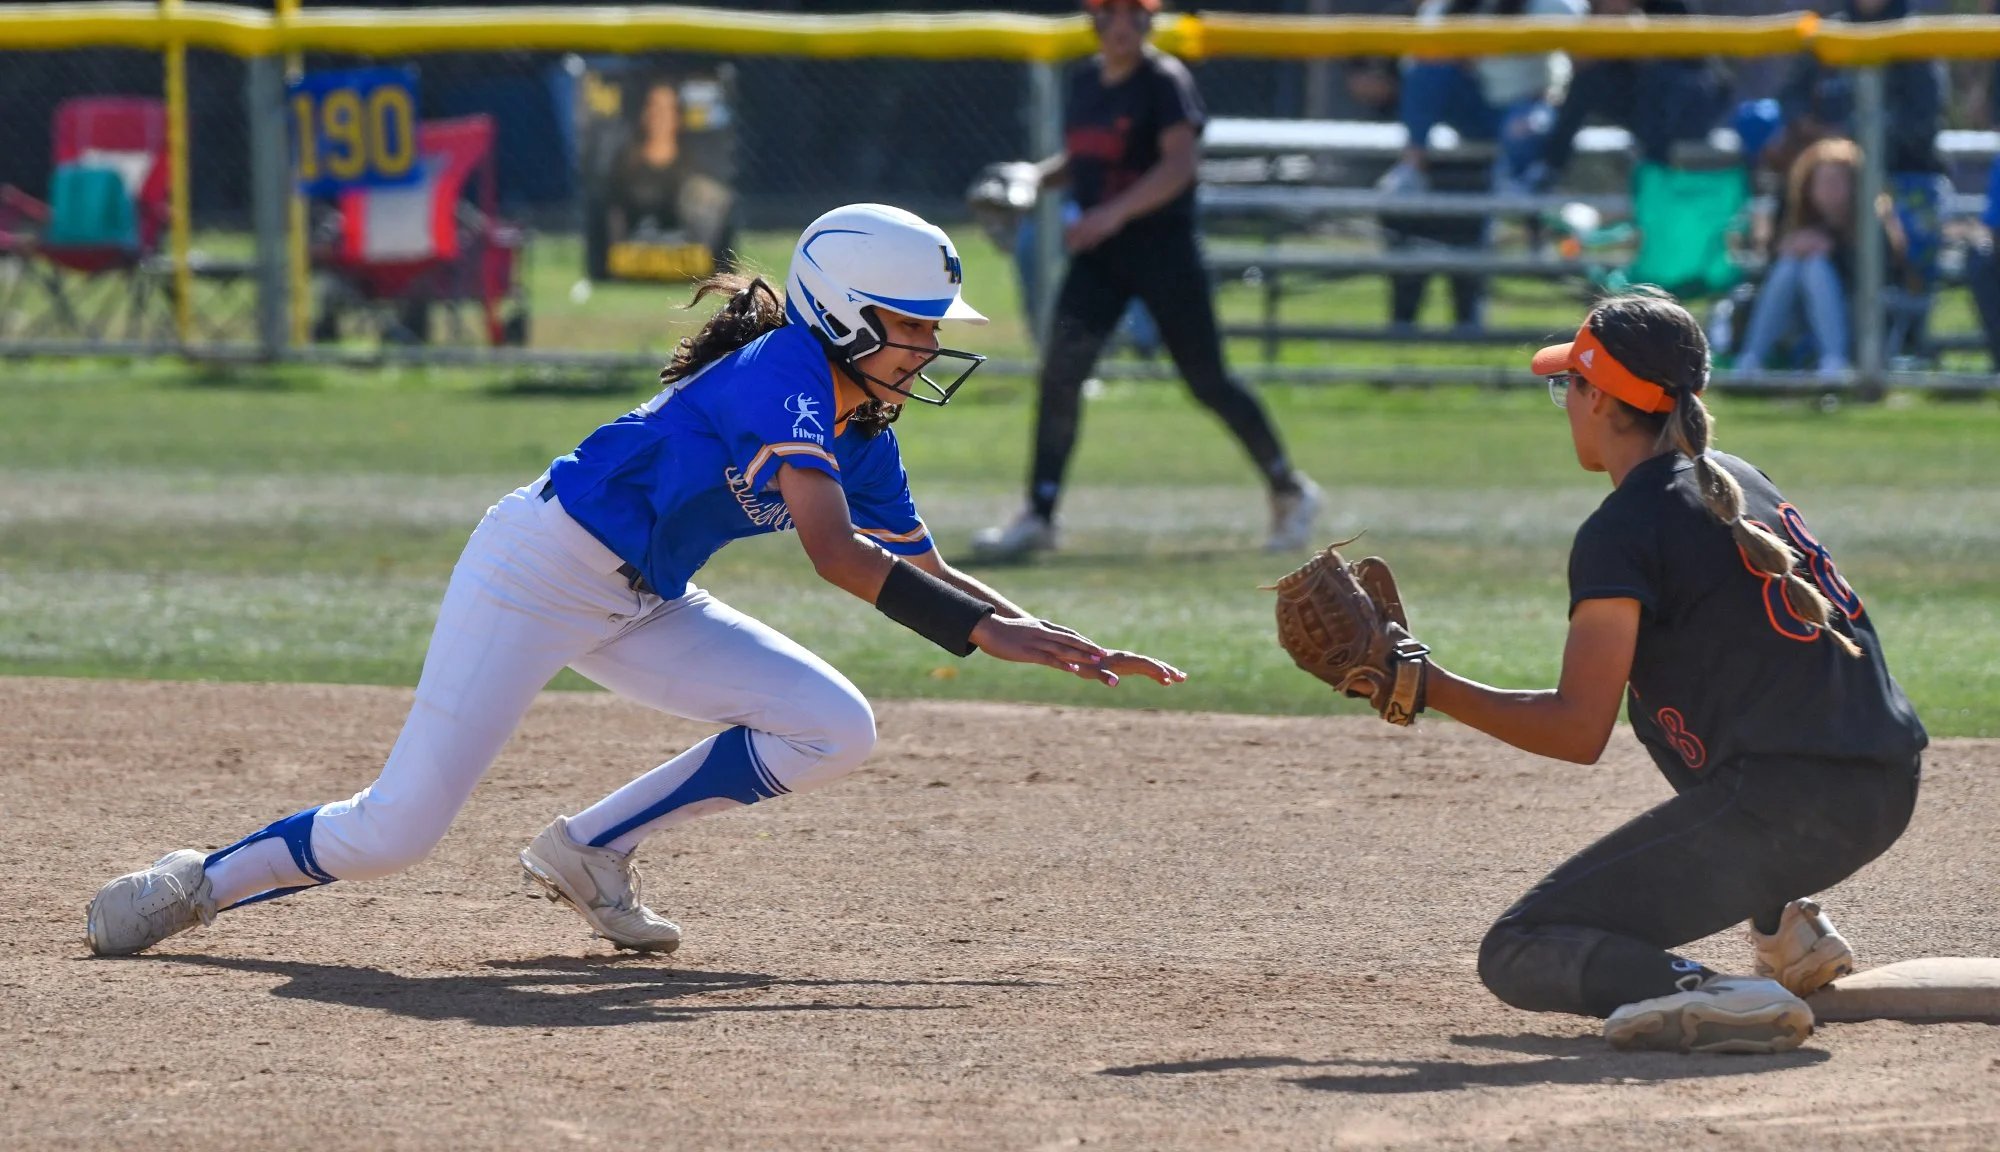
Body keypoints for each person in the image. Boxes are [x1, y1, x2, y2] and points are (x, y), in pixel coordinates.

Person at [84, 203, 1185, 958]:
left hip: (642, 596)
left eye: (932, 326)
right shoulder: (782, 373)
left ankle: (589, 847)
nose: (928, 344)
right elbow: (837, 558)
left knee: (833, 727)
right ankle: (198, 882)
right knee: (395, 832)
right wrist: (988, 640)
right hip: (538, 566)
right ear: (842, 313)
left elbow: (921, 563)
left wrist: (1047, 630)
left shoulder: (863, 416)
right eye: (911, 324)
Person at [1386, 292, 1926, 1052]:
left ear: (1599, 397)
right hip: (1886, 782)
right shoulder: (1738, 481)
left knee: (1521, 945)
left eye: (1568, 384)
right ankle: (1784, 924)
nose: (1565, 401)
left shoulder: (1624, 527)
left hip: (1795, 805)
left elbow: (1579, 729)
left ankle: (1715, 994)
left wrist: (1426, 684)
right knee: (1668, 707)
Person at [971, 0, 1322, 562]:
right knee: (1061, 374)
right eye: (1108, 13)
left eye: (1133, 13)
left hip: (1162, 250)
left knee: (1207, 380)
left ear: (1149, 21)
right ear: (1093, 21)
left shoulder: (1164, 80)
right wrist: (1034, 179)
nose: (1120, 25)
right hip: (1100, 254)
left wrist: (1114, 213)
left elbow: (1179, 165)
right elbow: (1085, 159)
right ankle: (1039, 514)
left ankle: (1290, 489)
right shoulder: (1087, 79)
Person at [1375, 0, 1589, 198]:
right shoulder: (1448, 6)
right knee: (1429, 70)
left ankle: (1514, 186)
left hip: (1528, 107)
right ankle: (1412, 166)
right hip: (1477, 109)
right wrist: (1458, 52)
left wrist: (1557, 99)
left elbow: (1585, 57)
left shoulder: (1550, 4)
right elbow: (1416, 68)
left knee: (1527, 127)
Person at [1732, 138, 1907, 376]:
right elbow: (1768, 272)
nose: (1829, 190)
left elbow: (1882, 275)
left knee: (1816, 266)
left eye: (1837, 182)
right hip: (1796, 317)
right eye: (1822, 181)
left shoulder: (1873, 225)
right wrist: (1788, 247)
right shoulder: (1793, 215)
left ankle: (1834, 361)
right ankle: (1751, 360)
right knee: (1789, 265)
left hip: (1859, 316)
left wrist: (1833, 250)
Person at [1538, 0, 1730, 186]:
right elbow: (1580, 67)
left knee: (1658, 80)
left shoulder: (1668, 6)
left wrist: (1638, 37)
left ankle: (1659, 176)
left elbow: (1698, 66)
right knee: (1587, 83)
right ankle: (1549, 169)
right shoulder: (1590, 13)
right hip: (1642, 107)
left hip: (1688, 105)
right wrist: (1606, 26)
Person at [607, 79, 734, 260]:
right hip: (634, 253)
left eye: (668, 109)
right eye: (655, 107)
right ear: (644, 113)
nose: (661, 116)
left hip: (685, 256)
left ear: (678, 116)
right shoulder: (623, 166)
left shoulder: (695, 173)